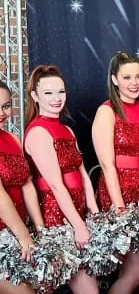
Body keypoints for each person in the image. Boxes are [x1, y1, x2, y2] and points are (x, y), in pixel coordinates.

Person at [92, 51, 139, 293]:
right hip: (117, 192)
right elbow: (107, 165)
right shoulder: (107, 111)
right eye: (127, 77)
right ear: (114, 80)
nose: (134, 83)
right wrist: (119, 208)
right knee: (134, 272)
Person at [24, 65, 99, 294]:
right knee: (47, 287)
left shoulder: (68, 130)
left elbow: (83, 174)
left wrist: (93, 212)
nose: (56, 98)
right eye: (48, 93)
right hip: (55, 220)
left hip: (76, 214)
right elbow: (56, 185)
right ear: (35, 96)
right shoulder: (38, 131)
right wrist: (78, 226)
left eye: (61, 91)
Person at [0, 81, 44, 294]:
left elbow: (27, 186)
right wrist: (24, 236)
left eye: (6, 106)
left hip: (17, 228)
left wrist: (40, 228)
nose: (2, 113)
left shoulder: (12, 139)